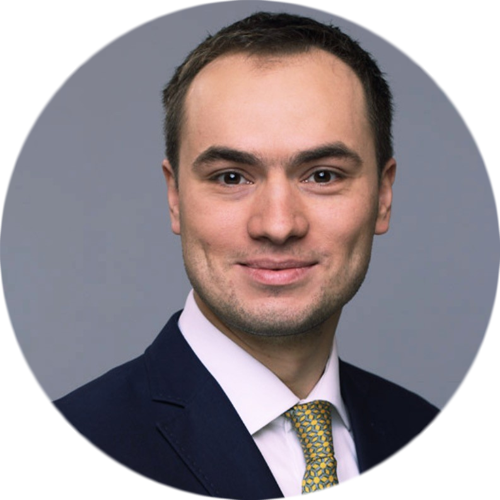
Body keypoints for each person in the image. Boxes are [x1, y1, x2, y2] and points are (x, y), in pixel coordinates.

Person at [0, 12, 472, 500]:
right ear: (175, 198)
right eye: (231, 177)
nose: (278, 225)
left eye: (322, 175)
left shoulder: (426, 442)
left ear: (383, 196)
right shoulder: (57, 466)